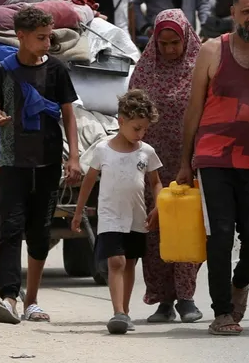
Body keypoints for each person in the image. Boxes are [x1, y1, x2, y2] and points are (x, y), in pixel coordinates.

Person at [176, 0, 249, 336]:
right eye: (246, 11)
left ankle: (240, 283)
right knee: (219, 234)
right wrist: (185, 161)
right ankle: (222, 312)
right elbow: (194, 109)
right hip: (214, 156)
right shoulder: (211, 51)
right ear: (233, 13)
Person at [0, 7, 82, 325]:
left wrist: (74, 157)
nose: (46, 43)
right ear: (21, 36)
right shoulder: (5, 70)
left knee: (40, 233)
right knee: (11, 229)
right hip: (12, 162)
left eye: (49, 37)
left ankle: (32, 301)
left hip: (48, 162)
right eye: (40, 38)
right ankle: (8, 298)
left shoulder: (56, 70)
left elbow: (68, 115)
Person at [127, 9, 204, 324]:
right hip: (152, 167)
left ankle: (186, 297)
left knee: (186, 228)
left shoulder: (201, 68)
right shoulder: (145, 71)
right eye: (164, 43)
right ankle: (163, 300)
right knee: (156, 231)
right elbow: (131, 114)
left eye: (176, 43)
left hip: (190, 163)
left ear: (186, 38)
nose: (170, 49)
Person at [72, 90, 163, 335]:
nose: (140, 134)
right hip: (110, 216)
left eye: (144, 129)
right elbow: (88, 182)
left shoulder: (147, 151)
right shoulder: (103, 149)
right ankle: (118, 312)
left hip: (136, 217)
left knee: (130, 262)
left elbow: (155, 182)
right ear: (121, 121)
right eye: (136, 128)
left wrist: (159, 207)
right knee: (116, 261)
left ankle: (125, 311)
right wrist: (78, 212)